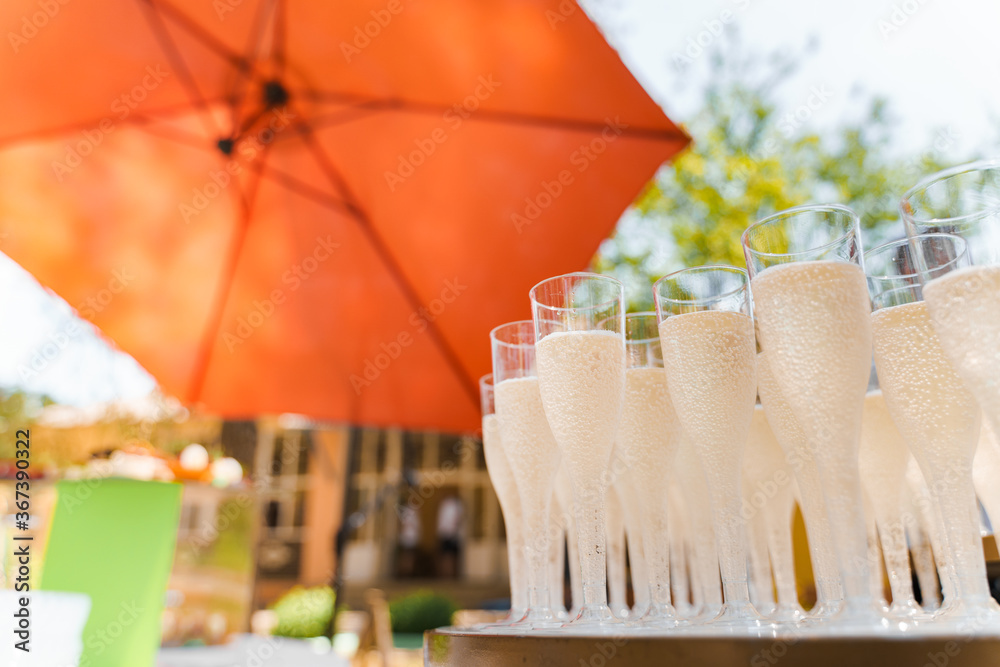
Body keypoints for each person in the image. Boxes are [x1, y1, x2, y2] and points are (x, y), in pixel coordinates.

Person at [436, 493, 464, 578]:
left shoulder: (456, 505)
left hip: (452, 534)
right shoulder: (446, 505)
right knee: (447, 556)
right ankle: (447, 574)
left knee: (451, 556)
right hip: (447, 534)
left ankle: (451, 574)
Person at [396, 504, 421, 577]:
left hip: (412, 538)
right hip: (406, 538)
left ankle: (408, 571)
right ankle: (404, 571)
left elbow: (417, 526)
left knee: (410, 556)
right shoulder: (406, 511)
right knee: (406, 556)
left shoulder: (415, 511)